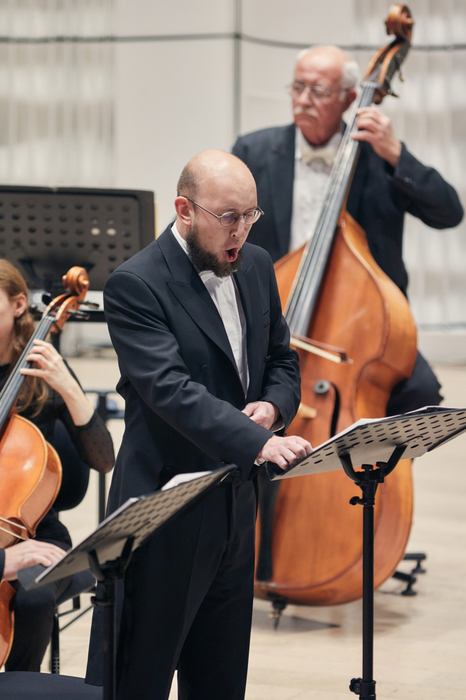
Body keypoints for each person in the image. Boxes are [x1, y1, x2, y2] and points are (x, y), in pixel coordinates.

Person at [85, 150, 311, 700]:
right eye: (229, 216)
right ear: (185, 210)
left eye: (250, 215)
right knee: (140, 676)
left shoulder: (256, 264)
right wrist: (258, 441)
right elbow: (171, 390)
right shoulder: (136, 283)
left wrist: (273, 408)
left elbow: (281, 358)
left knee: (220, 676)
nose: (242, 230)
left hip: (235, 502)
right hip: (167, 507)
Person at [232, 45, 464, 415]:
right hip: (276, 314)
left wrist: (395, 153)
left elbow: (448, 212)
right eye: (297, 87)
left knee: (420, 392)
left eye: (319, 91)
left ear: (350, 98)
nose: (303, 100)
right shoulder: (253, 150)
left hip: (360, 324)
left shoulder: (377, 156)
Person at [0, 259, 115, 672]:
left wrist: (67, 386)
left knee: (32, 597)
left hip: (34, 533)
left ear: (18, 305)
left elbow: (103, 460)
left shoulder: (42, 377)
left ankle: (21, 688)